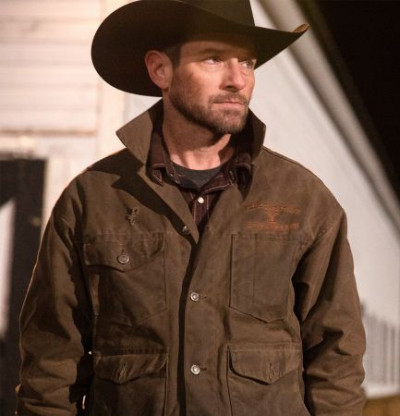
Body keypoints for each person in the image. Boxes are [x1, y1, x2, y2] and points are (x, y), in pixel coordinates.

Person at [16, 1, 366, 415]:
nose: (238, 80)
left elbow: (336, 360)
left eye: (248, 63)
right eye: (214, 58)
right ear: (160, 70)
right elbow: (51, 361)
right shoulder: (93, 199)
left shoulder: (304, 200)